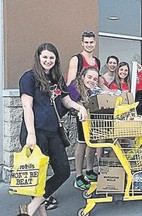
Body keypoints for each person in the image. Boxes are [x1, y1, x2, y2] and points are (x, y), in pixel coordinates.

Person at [18, 43, 87, 216]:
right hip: (35, 132)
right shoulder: (29, 77)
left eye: (51, 57)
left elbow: (66, 100)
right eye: (45, 57)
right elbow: (27, 107)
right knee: (39, 175)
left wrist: (80, 108)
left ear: (55, 60)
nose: (48, 61)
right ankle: (40, 212)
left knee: (63, 170)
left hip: (53, 131)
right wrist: (31, 135)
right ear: (39, 58)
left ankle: (31, 207)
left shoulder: (57, 79)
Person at [66, 31, 101, 191]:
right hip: (80, 108)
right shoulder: (76, 59)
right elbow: (71, 85)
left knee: (92, 141)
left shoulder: (96, 61)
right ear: (82, 43)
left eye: (91, 42)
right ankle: (78, 176)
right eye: (86, 42)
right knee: (82, 142)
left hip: (93, 107)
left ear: (95, 43)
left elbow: (97, 83)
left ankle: (89, 170)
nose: (89, 45)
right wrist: (80, 105)